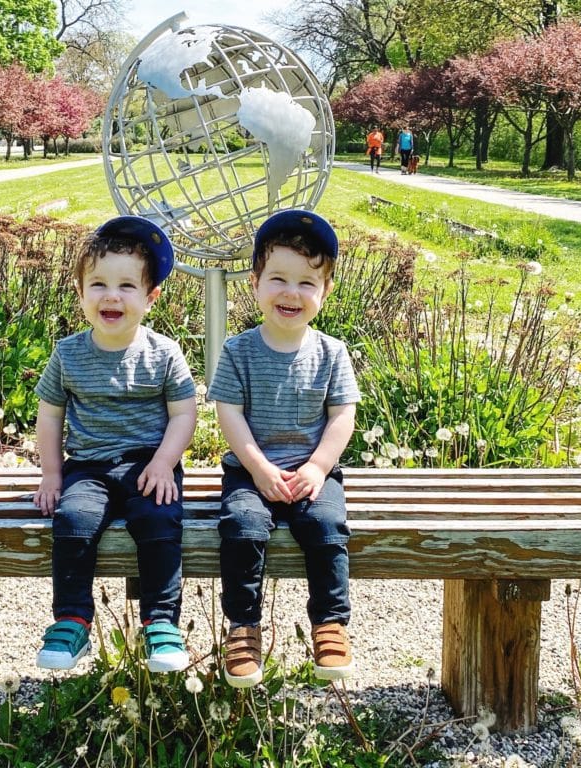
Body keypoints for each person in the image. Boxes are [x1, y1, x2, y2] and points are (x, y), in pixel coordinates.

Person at [33, 215, 198, 674]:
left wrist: (166, 463)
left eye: (127, 286)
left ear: (150, 297)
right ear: (81, 292)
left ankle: (161, 623)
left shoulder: (163, 353)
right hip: (88, 465)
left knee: (159, 519)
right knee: (73, 519)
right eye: (99, 284)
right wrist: (52, 474)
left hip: (150, 464)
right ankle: (71, 620)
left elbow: (185, 413)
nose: (111, 295)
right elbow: (50, 415)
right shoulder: (68, 353)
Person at [208, 209, 360, 688]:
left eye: (306, 283)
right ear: (255, 283)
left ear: (325, 291)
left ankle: (330, 624)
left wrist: (317, 467)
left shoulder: (331, 352)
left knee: (325, 524)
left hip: (312, 470)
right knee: (243, 524)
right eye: (278, 279)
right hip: (250, 471)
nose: (291, 293)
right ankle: (243, 626)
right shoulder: (239, 350)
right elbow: (228, 414)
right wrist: (256, 467)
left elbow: (342, 417)